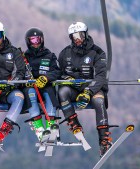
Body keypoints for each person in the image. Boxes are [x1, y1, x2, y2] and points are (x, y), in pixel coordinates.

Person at [57, 22, 111, 157]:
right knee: (62, 92)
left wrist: (88, 92)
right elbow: (57, 73)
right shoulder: (65, 53)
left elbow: (100, 77)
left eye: (80, 35)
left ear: (86, 34)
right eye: (74, 36)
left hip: (93, 89)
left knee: (99, 101)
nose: (77, 39)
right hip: (74, 89)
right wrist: (65, 78)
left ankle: (104, 140)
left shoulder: (98, 53)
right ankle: (75, 125)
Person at [22, 27, 61, 142]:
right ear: (28, 42)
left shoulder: (49, 55)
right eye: (33, 40)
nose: (36, 43)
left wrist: (46, 78)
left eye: (38, 40)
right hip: (31, 87)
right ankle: (39, 127)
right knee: (30, 93)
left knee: (50, 91)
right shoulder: (25, 57)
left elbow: (57, 71)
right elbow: (20, 72)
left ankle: (51, 123)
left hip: (45, 85)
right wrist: (26, 81)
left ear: (42, 40)